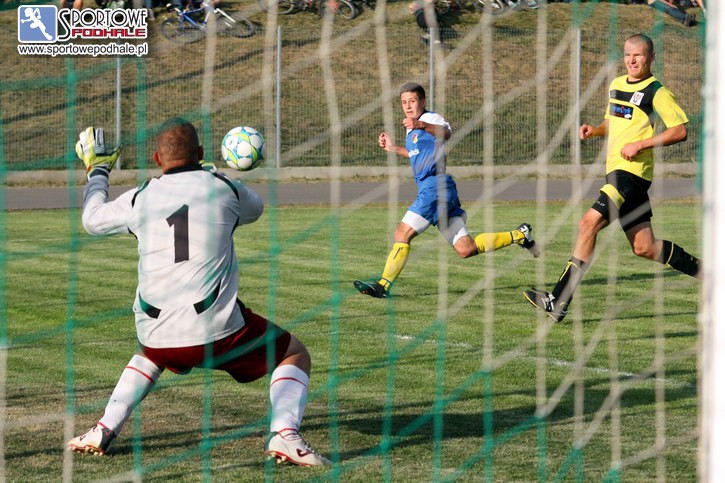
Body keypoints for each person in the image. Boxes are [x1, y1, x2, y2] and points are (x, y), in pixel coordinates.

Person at [66, 118, 330, 466]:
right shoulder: (223, 188)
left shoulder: (141, 197)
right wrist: (217, 175)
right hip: (215, 331)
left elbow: (91, 220)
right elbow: (255, 209)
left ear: (157, 158)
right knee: (293, 353)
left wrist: (98, 171)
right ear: (201, 152)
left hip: (154, 333)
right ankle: (285, 435)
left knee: (152, 352)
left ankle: (104, 428)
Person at [523, 34, 700, 323]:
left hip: (631, 174)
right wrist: (595, 130)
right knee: (644, 247)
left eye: (638, 55)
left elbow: (679, 130)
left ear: (651, 58)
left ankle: (559, 300)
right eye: (628, 55)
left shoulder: (657, 91)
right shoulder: (617, 85)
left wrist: (641, 144)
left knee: (587, 224)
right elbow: (612, 122)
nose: (632, 60)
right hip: (618, 173)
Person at [353, 82, 538, 299]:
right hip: (439, 190)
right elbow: (415, 153)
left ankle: (382, 286)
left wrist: (421, 125)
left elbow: (446, 132)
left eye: (412, 101)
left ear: (423, 101)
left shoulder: (430, 119)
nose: (408, 106)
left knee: (402, 234)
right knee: (466, 248)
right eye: (404, 102)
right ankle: (520, 235)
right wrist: (393, 148)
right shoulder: (412, 129)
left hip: (435, 187)